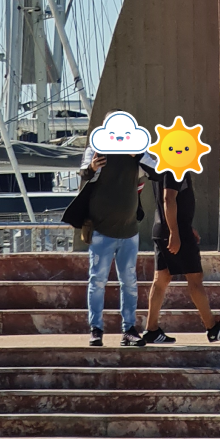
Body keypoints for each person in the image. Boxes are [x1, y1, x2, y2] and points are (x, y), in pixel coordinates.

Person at [138, 161, 220, 345]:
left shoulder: (163, 164)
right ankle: (212, 328)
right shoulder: (174, 166)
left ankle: (151, 330)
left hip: (165, 229)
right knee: (194, 277)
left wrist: (185, 226)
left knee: (161, 279)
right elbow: (168, 199)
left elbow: (175, 201)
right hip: (175, 233)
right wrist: (176, 233)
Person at [76, 120, 145, 347]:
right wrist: (93, 167)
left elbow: (156, 170)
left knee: (129, 282)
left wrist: (140, 154)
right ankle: (96, 329)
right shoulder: (95, 150)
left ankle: (129, 330)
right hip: (101, 230)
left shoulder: (137, 150)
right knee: (97, 281)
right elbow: (84, 174)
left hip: (129, 230)